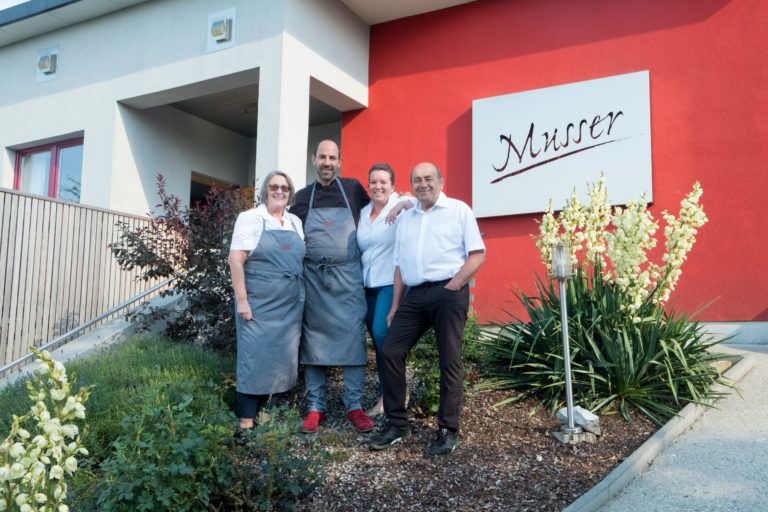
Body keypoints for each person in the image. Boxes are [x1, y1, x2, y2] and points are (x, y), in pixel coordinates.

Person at [369, 162, 485, 457]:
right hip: (414, 295)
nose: (423, 184)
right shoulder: (406, 218)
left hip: (449, 291)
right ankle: (397, 424)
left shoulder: (459, 210)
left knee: (449, 359)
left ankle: (448, 430)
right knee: (391, 350)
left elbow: (477, 254)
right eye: (417, 180)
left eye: (428, 178)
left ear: (440, 181)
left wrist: (455, 284)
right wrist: (395, 305)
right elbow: (398, 265)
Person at [291, 139, 374, 433]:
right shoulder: (301, 198)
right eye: (323, 157)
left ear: (340, 161)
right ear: (314, 159)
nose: (328, 162)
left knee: (353, 340)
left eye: (333, 157)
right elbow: (287, 234)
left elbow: (381, 204)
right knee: (314, 343)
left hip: (349, 279)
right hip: (314, 280)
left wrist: (400, 204)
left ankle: (355, 406)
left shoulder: (352, 189)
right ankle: (316, 408)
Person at [228, 170, 305, 431]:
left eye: (285, 187)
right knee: (254, 361)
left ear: (290, 192)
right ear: (265, 190)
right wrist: (242, 301)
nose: (280, 191)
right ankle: (246, 424)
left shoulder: (295, 221)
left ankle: (266, 420)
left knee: (278, 361)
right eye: (274, 186)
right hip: (258, 304)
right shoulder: (250, 218)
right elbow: (235, 260)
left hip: (288, 306)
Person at [356, 163, 407, 417]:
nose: (378, 186)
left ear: (393, 185)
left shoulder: (401, 205)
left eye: (383, 182)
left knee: (382, 335)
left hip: (389, 283)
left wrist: (401, 204)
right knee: (377, 342)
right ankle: (390, 391)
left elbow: (420, 206)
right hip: (367, 285)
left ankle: (392, 396)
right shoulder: (363, 213)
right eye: (373, 182)